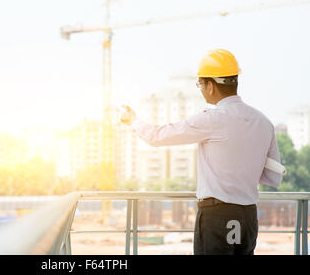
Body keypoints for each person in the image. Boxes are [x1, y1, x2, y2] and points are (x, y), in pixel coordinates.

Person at [120, 48, 284, 255]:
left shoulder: (210, 119)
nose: (201, 89)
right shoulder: (263, 122)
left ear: (210, 85)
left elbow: (156, 136)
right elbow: (273, 177)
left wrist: (133, 121)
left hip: (217, 215)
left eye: (200, 84)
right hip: (248, 216)